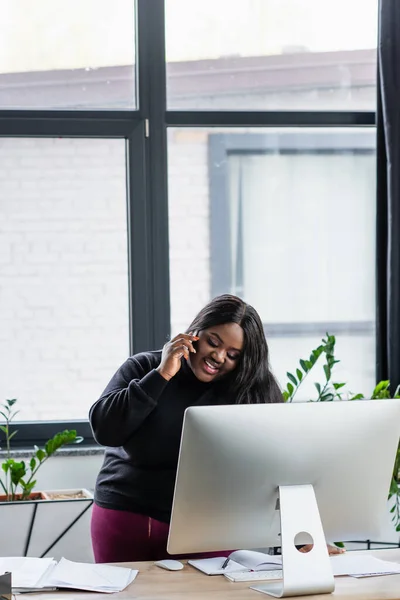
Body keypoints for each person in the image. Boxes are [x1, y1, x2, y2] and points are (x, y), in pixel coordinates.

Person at [89, 294, 343, 562]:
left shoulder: (253, 390)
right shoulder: (144, 367)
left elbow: (280, 465)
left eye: (233, 355)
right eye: (213, 342)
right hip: (129, 517)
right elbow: (105, 430)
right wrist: (162, 375)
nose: (219, 356)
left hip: (209, 526)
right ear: (194, 331)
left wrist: (302, 533)